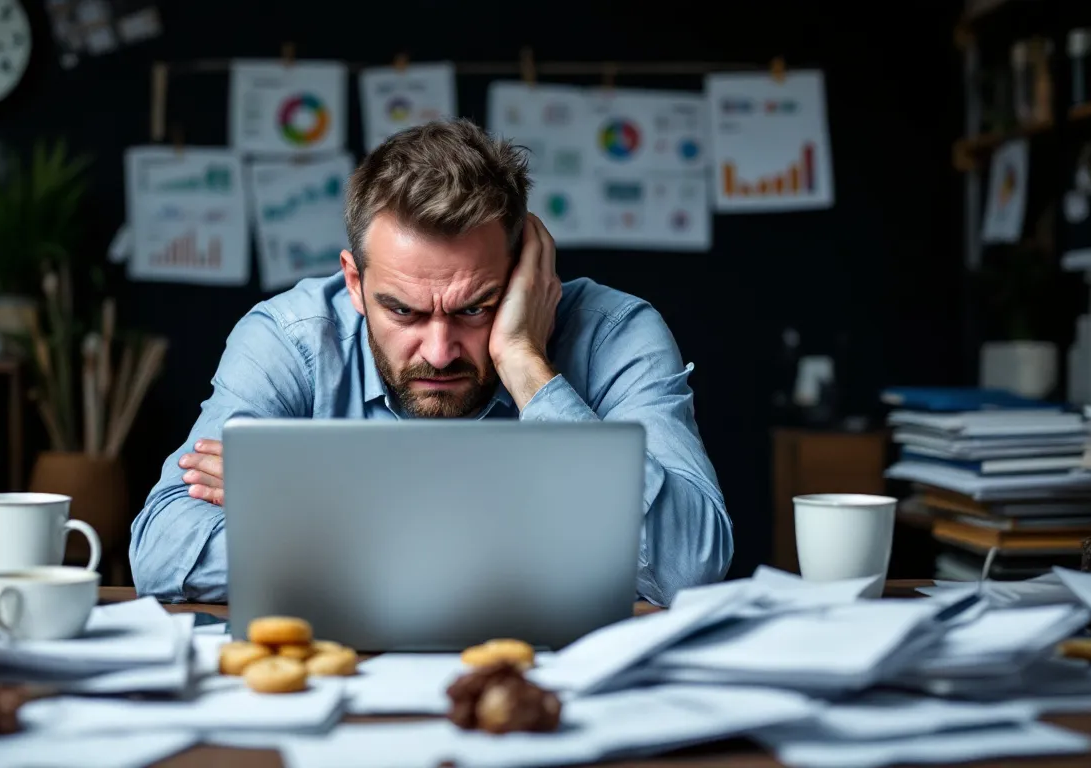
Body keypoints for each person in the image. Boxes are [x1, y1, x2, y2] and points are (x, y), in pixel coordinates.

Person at [130, 118, 733, 606]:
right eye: (403, 311)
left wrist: (525, 364)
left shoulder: (613, 335)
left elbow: (689, 567)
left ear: (524, 277)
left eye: (475, 308)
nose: (439, 352)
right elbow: (163, 548)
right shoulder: (291, 340)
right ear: (354, 283)